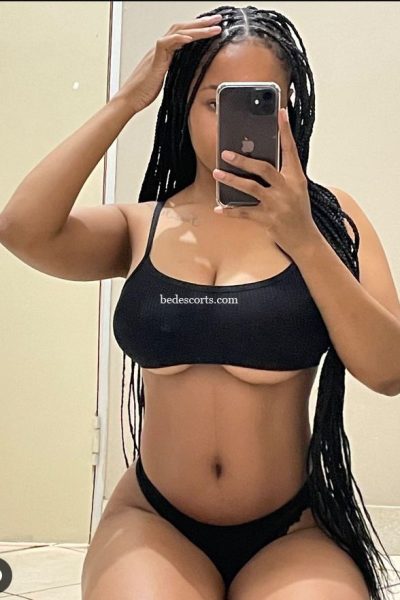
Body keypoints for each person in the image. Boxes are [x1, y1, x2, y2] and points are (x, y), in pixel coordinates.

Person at [1, 5, 400, 600]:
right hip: (155, 521)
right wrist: (127, 100)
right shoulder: (142, 225)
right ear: (183, 106)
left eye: (261, 101)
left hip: (292, 529)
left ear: (290, 109)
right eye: (214, 102)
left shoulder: (332, 221)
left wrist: (302, 236)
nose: (232, 123)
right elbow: (21, 229)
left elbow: (389, 371)